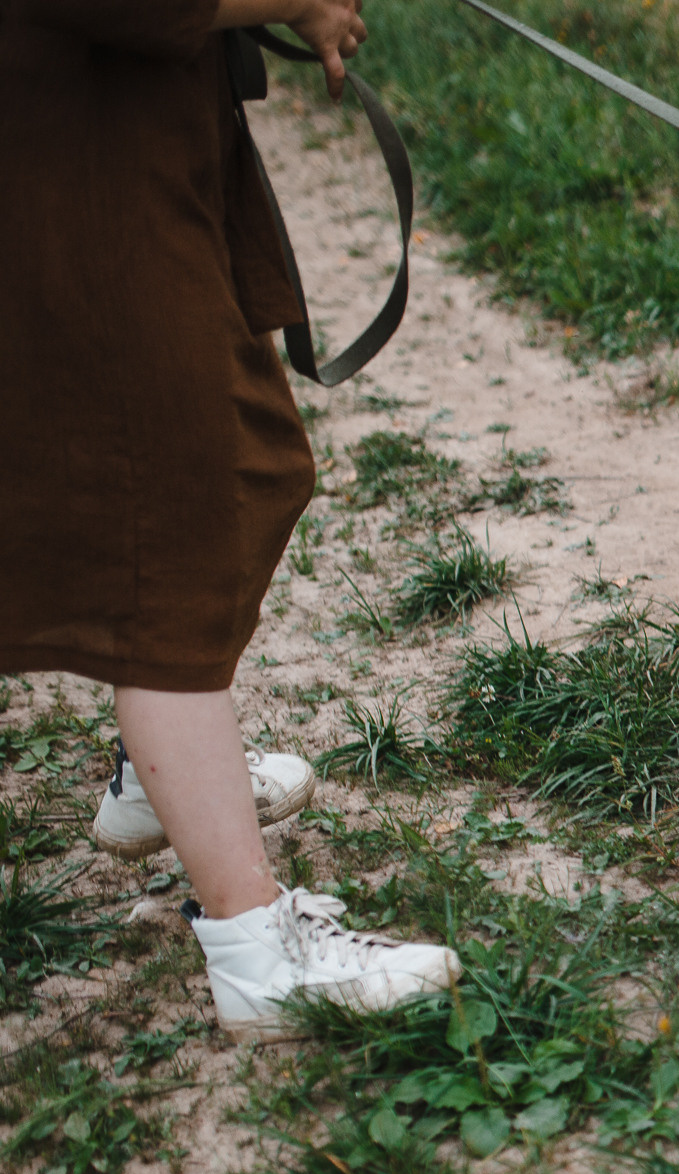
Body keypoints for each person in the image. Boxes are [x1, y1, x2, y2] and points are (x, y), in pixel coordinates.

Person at [0, 0, 460, 1036]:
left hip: (123, 126)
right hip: (69, 150)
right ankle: (256, 950)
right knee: (167, 508)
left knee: (224, 455)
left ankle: (158, 773)